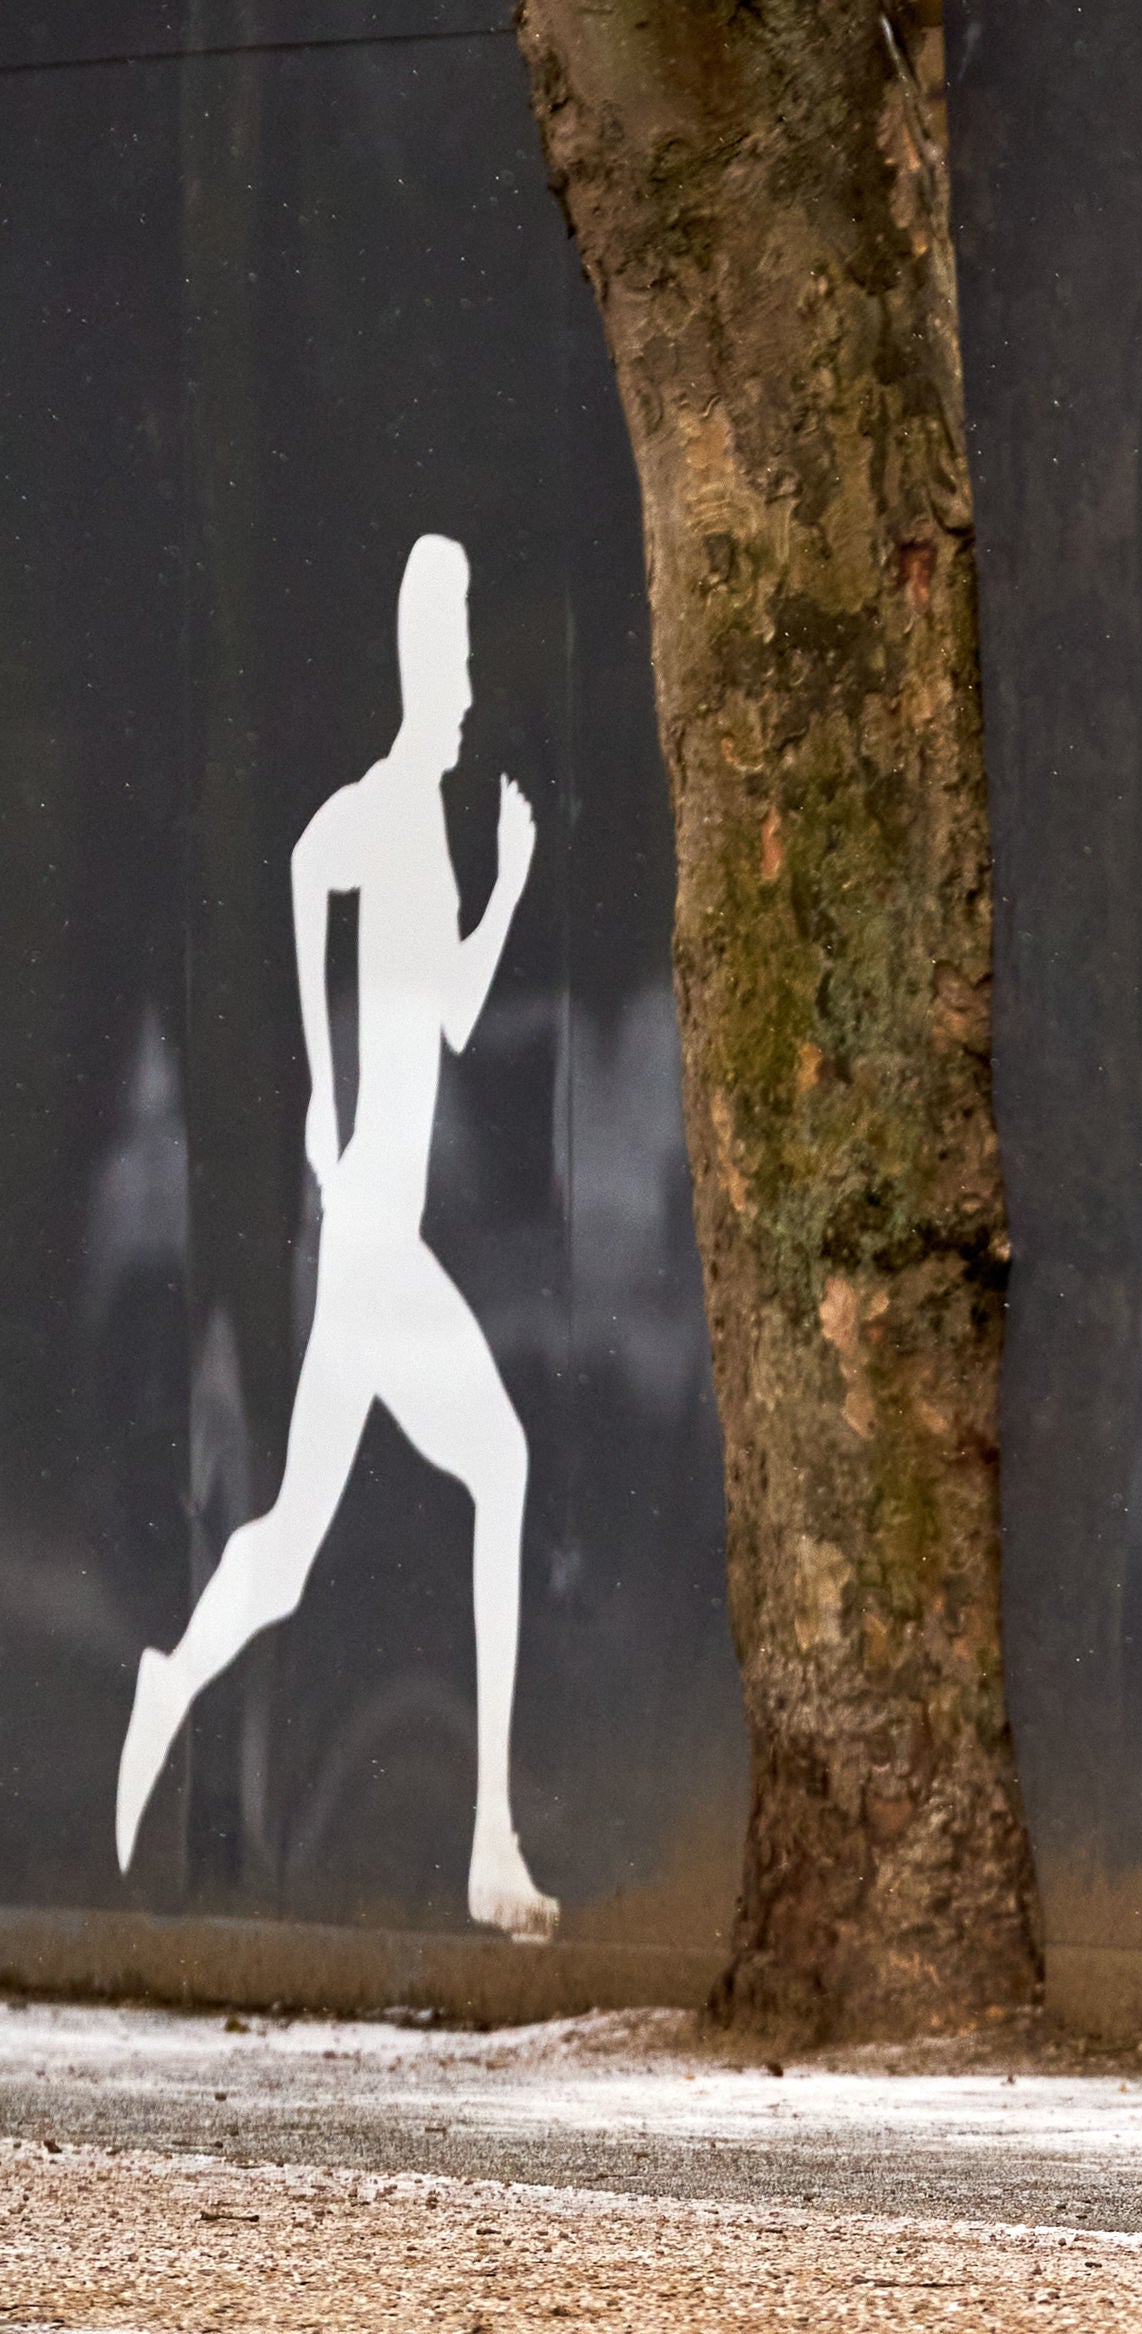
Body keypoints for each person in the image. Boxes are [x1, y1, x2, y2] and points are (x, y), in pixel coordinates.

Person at [114, 533, 557, 1943]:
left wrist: (507, 883)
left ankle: (174, 1678)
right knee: (503, 1468)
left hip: (376, 1229)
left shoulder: (425, 827)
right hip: (372, 1232)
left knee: (298, 1546)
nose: (475, 683)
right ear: (427, 662)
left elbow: (463, 1017)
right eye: (462, 652)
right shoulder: (377, 812)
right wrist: (318, 1094)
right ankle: (490, 1839)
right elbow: (308, 865)